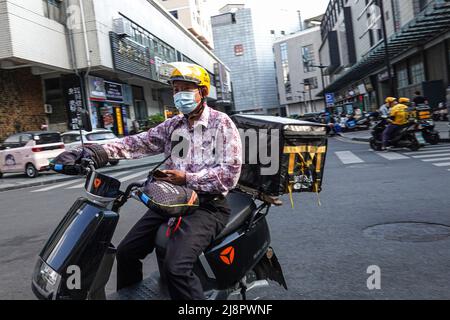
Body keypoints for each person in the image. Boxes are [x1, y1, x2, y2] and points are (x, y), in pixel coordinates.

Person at [51, 62, 243, 300]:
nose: (179, 95)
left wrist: (187, 178)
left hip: (206, 205)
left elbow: (230, 174)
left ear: (202, 92)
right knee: (126, 252)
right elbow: (136, 143)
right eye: (175, 90)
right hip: (170, 200)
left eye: (185, 88)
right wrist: (94, 152)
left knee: (177, 268)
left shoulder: (220, 123)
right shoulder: (174, 125)